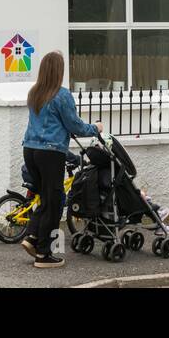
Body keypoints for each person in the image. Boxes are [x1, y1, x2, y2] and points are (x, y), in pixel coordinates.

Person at [22, 50, 100, 268]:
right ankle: (44, 255)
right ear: (59, 71)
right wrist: (95, 128)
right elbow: (74, 125)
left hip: (30, 149)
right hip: (50, 152)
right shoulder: (61, 94)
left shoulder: (34, 92)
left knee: (45, 198)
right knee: (54, 201)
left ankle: (32, 237)